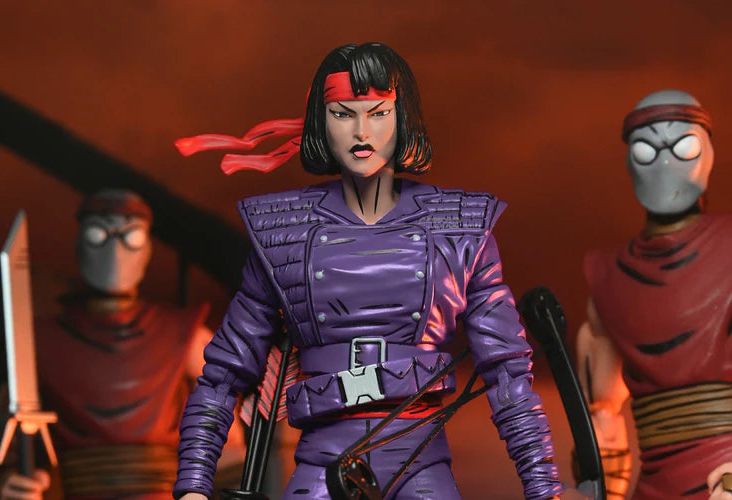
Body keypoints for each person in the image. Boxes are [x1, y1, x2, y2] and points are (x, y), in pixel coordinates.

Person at [173, 42, 562, 500]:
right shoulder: (284, 234)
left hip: (421, 458)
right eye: (343, 114)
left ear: (403, 118)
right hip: (323, 459)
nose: (361, 131)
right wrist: (193, 486)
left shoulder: (461, 229)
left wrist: (544, 489)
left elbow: (508, 373)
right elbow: (223, 375)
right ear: (321, 122)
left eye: (378, 113)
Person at [0, 189, 238, 500]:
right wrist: (7, 482)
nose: (115, 250)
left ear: (147, 248)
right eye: (98, 235)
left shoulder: (186, 335)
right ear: (79, 244)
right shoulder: (38, 341)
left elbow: (228, 449)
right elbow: (6, 449)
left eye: (131, 237)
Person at [576, 89, 732, 499]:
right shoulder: (608, 274)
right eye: (648, 149)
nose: (665, 161)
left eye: (683, 146)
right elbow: (603, 417)